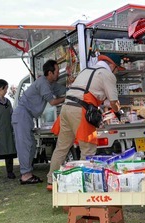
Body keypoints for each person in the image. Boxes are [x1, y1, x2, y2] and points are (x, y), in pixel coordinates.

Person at [46, 53, 124, 189]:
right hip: (80, 111)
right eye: (117, 69)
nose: (117, 72)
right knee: (88, 150)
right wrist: (119, 113)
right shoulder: (107, 74)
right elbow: (114, 101)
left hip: (66, 108)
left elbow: (91, 92)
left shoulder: (87, 70)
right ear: (112, 65)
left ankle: (52, 181)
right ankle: (83, 184)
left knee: (61, 148)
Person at [12, 59, 67, 185]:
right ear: (50, 73)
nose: (58, 74)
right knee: (25, 145)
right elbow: (53, 102)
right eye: (57, 71)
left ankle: (27, 172)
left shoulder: (50, 83)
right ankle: (25, 175)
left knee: (31, 145)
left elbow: (62, 89)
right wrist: (67, 98)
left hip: (26, 116)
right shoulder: (43, 83)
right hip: (22, 115)